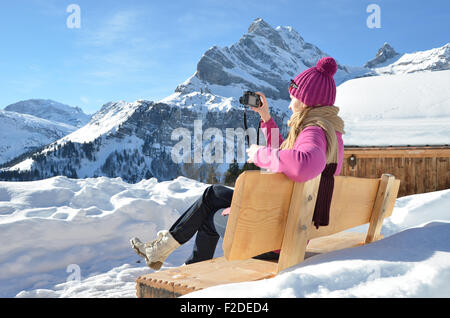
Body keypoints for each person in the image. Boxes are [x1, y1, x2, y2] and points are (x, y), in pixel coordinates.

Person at [130, 57, 345, 270]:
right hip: (287, 219)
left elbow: (303, 166)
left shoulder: (315, 130)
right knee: (212, 194)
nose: (289, 106)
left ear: (308, 99)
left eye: (293, 98)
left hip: (276, 238)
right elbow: (288, 154)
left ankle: (186, 265)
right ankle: (163, 252)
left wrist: (261, 154)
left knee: (209, 214)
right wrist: (266, 117)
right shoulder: (327, 129)